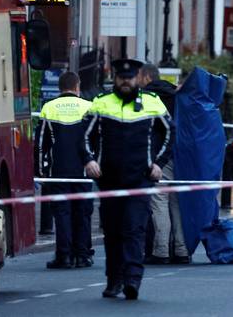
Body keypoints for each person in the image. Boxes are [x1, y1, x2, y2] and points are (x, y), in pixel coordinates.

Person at [83, 59, 174, 300]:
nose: (125, 82)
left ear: (138, 79)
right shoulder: (101, 104)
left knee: (134, 229)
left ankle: (133, 279)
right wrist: (89, 160)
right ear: (115, 79)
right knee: (113, 232)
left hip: (140, 179)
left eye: (129, 78)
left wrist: (159, 164)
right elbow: (84, 137)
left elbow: (170, 133)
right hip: (109, 181)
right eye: (121, 78)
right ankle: (114, 280)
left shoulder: (152, 104)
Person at [34, 71, 94, 269]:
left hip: (57, 170)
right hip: (83, 170)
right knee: (83, 213)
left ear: (60, 88)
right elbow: (96, 138)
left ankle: (64, 256)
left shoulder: (49, 107)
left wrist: (40, 169)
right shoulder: (88, 106)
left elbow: (41, 142)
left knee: (62, 213)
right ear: (77, 87)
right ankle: (82, 255)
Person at [137, 63, 189, 265]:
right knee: (176, 203)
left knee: (159, 201)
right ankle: (181, 250)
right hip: (181, 156)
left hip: (160, 156)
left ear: (146, 77)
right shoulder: (176, 95)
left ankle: (161, 251)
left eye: (139, 77)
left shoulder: (147, 98)